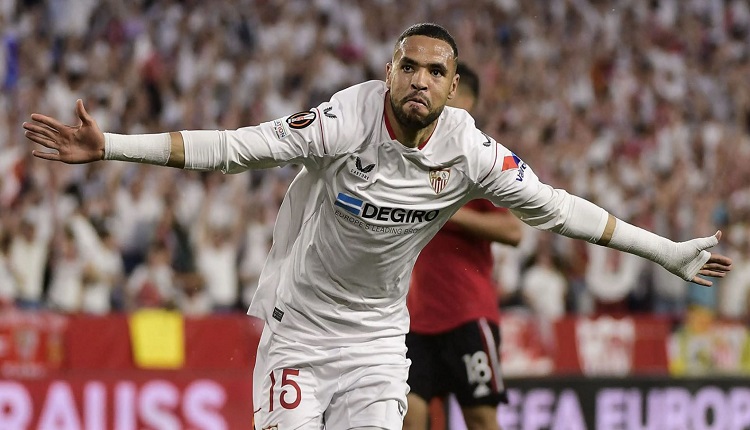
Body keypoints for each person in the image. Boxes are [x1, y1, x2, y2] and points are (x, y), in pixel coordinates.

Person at [22, 22, 732, 430]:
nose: (420, 79)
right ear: (389, 72)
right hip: (299, 334)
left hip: (376, 342)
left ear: (453, 87)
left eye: (435, 72)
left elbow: (560, 209)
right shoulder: (345, 120)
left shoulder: (469, 150)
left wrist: (665, 252)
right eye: (408, 66)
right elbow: (234, 148)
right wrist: (111, 146)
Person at [404, 63, 522, 430]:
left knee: (481, 418)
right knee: (407, 415)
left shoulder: (478, 157)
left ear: (463, 98)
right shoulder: (414, 152)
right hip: (416, 318)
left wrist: (448, 212)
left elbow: (513, 231)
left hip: (467, 314)